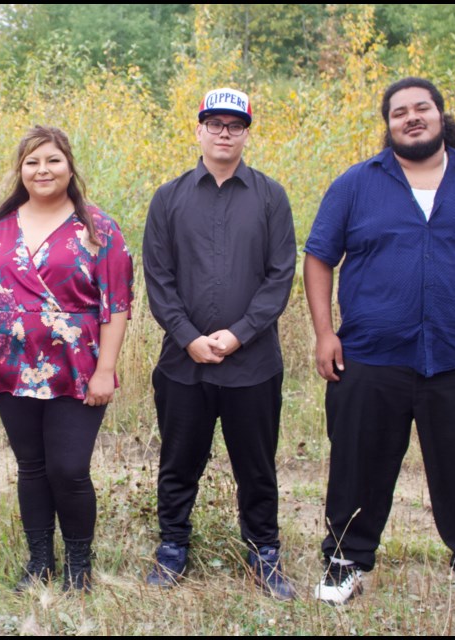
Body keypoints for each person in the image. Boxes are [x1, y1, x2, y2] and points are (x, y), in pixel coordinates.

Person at [304, 77, 455, 621]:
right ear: (387, 126)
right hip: (370, 354)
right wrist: (324, 333)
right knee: (357, 465)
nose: (412, 118)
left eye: (422, 108)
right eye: (399, 113)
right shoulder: (356, 185)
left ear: (441, 115)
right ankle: (345, 560)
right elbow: (318, 258)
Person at [141, 88, 297, 600]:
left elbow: (280, 276)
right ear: (199, 130)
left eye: (235, 124)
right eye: (215, 123)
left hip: (252, 364)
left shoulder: (271, 196)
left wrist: (238, 334)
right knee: (179, 461)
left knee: (257, 464)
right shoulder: (169, 197)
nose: (224, 132)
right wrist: (187, 338)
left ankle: (263, 553)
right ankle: (172, 549)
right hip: (183, 364)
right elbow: (158, 278)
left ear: (247, 132)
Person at [0, 125, 133, 592]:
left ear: (69, 166)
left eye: (53, 160)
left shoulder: (100, 229)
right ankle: (40, 561)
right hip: (9, 367)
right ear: (20, 170)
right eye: (32, 162)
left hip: (77, 369)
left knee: (69, 468)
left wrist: (105, 370)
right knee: (32, 467)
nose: (43, 170)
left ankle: (79, 565)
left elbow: (116, 305)